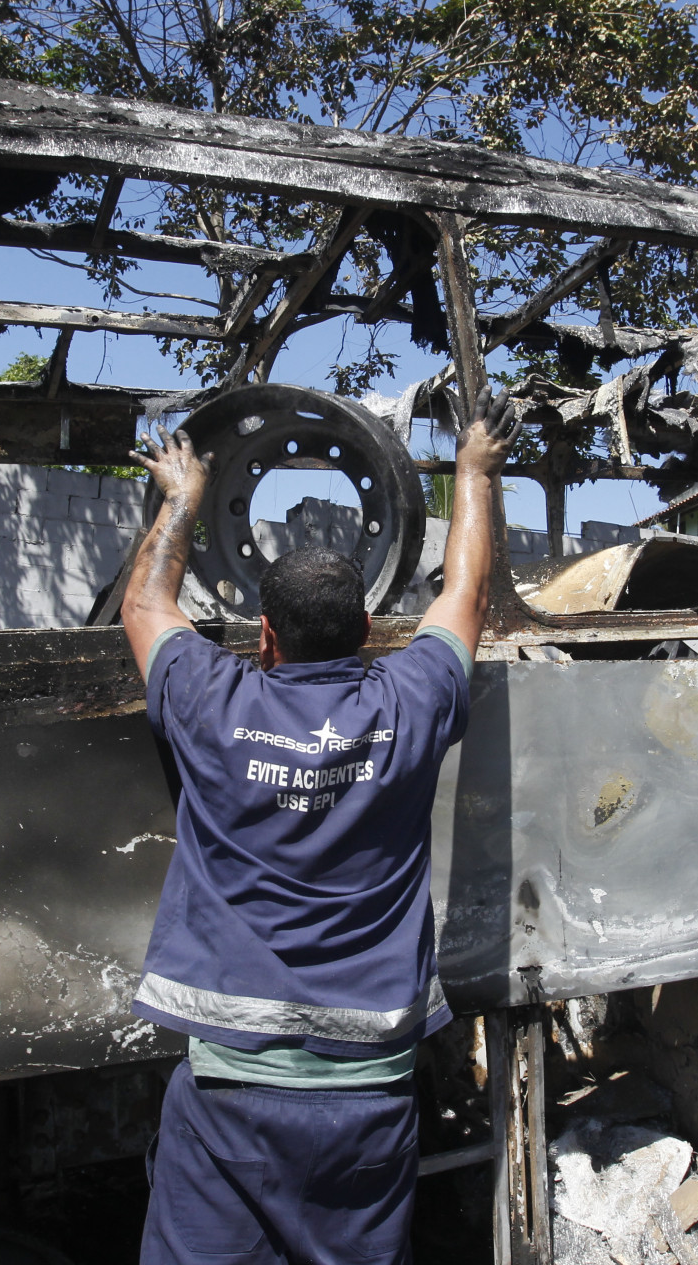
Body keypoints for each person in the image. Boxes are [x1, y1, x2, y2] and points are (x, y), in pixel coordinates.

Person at [118, 394, 520, 1265]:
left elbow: (146, 607)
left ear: (263, 636)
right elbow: (467, 594)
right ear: (372, 629)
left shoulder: (209, 700)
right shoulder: (409, 703)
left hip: (228, 1085)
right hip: (367, 1097)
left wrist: (183, 496)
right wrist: (475, 472)